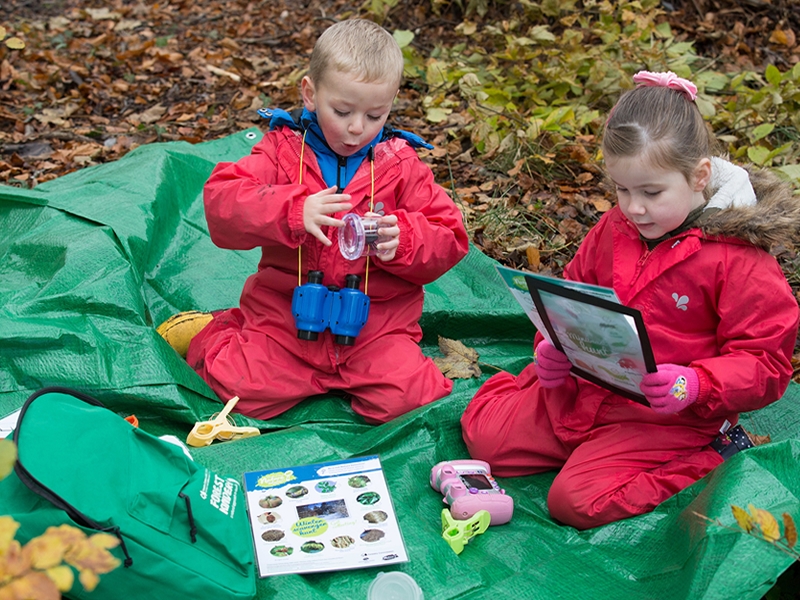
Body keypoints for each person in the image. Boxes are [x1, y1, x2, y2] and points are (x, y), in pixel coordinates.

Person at [461, 71, 800, 530]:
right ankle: (577, 441)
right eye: (621, 190)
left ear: (699, 176)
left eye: (651, 193)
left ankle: (714, 451)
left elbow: (766, 362)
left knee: (574, 502)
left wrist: (695, 385)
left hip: (667, 417)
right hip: (587, 388)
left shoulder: (738, 258)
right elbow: (574, 290)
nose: (634, 207)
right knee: (484, 439)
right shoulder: (618, 226)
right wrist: (553, 347)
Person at [161, 19, 469, 423]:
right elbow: (222, 202)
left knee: (409, 401)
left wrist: (405, 239)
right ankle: (218, 329)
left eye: (375, 115)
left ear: (391, 103)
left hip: (375, 330)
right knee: (240, 388)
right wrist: (290, 210)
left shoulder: (400, 164)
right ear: (310, 94)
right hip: (287, 322)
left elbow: (450, 236)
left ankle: (353, 373)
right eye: (341, 111)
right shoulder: (283, 151)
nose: (357, 128)